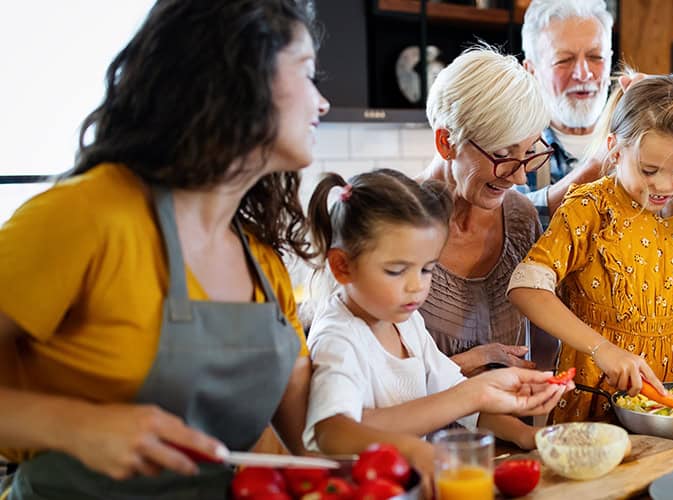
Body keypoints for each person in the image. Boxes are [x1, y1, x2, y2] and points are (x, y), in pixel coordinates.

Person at [0, 2, 428, 498]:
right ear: (239, 76)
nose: (323, 102)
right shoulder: (87, 217)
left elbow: (299, 450)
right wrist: (76, 426)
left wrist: (397, 457)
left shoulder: (262, 266)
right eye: (307, 74)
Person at [508, 74, 673, 424]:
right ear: (615, 147)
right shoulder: (590, 208)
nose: (664, 186)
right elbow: (525, 288)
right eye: (648, 169)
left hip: (662, 403)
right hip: (595, 398)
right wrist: (602, 349)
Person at [302, 170, 570, 457]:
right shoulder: (339, 337)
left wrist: (527, 435)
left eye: (427, 269)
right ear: (342, 266)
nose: (417, 286)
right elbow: (331, 432)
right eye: (396, 270)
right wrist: (418, 448)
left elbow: (458, 399)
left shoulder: (406, 323)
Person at [416, 47, 553, 377]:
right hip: (412, 429)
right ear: (446, 142)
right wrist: (474, 361)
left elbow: (545, 349)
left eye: (529, 153)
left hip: (510, 428)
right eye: (503, 154)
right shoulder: (390, 223)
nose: (520, 176)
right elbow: (374, 386)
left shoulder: (521, 219)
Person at [520, 0, 616, 228]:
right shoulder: (516, 150)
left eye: (596, 57)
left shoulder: (637, 135)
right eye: (564, 60)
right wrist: (595, 167)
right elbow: (511, 224)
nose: (583, 74)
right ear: (531, 71)